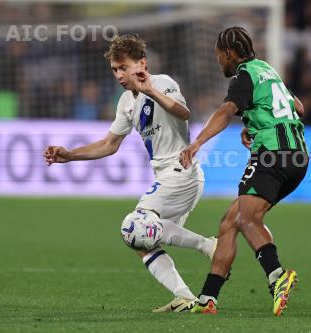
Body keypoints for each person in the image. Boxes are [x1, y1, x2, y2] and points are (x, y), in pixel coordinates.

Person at [43, 34, 216, 312]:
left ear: (141, 64)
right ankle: (187, 297)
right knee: (142, 242)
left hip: (181, 170)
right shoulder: (125, 102)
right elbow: (110, 144)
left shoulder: (163, 83)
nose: (119, 74)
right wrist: (70, 155)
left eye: (123, 67)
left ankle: (208, 246)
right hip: (165, 176)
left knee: (132, 225)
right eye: (115, 69)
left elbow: (183, 113)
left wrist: (151, 92)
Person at [179, 26, 309, 316]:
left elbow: (226, 110)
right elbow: (298, 108)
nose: (218, 61)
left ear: (229, 54)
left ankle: (277, 276)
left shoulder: (244, 74)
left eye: (218, 56)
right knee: (229, 222)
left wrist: (197, 142)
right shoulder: (268, 71)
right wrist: (255, 124)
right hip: (298, 157)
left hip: (273, 154)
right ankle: (207, 299)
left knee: (245, 217)